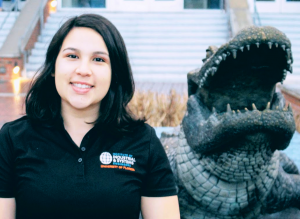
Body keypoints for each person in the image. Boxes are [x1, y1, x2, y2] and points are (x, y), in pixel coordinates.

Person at [0, 14, 180, 219]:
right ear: (53, 67)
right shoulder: (12, 139)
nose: (83, 70)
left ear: (115, 74)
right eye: (72, 56)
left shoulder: (142, 141)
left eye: (98, 59)